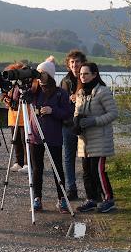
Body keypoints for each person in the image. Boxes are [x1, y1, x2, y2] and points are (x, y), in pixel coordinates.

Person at [29, 56, 71, 213]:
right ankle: (37, 198)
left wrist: (53, 111)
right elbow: (15, 98)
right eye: (38, 73)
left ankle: (62, 199)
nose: (39, 76)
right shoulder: (33, 91)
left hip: (53, 136)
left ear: (50, 75)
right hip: (35, 136)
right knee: (36, 169)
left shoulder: (60, 93)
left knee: (57, 168)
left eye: (42, 73)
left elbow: (67, 113)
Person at [74, 62, 118, 213]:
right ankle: (91, 199)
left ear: (94, 74)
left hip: (100, 138)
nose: (83, 77)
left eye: (86, 74)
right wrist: (76, 123)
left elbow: (113, 113)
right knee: (86, 172)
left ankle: (109, 199)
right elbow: (76, 113)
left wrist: (94, 121)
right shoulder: (80, 93)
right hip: (84, 140)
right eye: (81, 74)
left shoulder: (103, 92)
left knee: (98, 171)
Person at [60, 50, 87, 200]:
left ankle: (92, 190)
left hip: (84, 124)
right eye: (72, 62)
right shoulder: (65, 80)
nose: (75, 65)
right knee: (68, 157)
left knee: (87, 158)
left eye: (77, 62)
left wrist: (80, 98)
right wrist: (68, 100)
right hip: (68, 124)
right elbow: (60, 103)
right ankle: (71, 189)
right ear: (68, 64)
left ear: (82, 62)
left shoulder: (88, 78)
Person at [2, 62, 28, 173]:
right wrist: (5, 99)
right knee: (15, 140)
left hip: (24, 115)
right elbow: (4, 94)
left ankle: (27, 163)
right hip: (13, 115)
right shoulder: (10, 84)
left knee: (25, 140)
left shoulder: (25, 83)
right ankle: (18, 162)